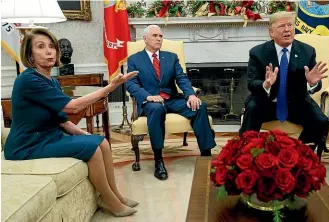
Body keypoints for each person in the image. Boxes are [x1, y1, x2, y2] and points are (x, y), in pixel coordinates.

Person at [4, 28, 139, 217]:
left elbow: (63, 122)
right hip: (27, 145)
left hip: (49, 137)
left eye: (51, 46)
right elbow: (73, 107)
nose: (49, 51)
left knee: (102, 143)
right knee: (92, 149)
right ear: (30, 55)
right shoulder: (28, 80)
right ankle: (109, 200)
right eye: (41, 47)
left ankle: (116, 195)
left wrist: (88, 136)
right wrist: (111, 87)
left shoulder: (52, 81)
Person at [126, 25, 216, 181]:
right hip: (151, 102)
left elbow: (182, 78)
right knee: (156, 109)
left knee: (199, 106)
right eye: (155, 35)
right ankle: (158, 160)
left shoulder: (171, 57)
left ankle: (206, 155)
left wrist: (190, 95)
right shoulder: (134, 59)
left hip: (172, 99)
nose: (159, 39)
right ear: (145, 39)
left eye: (160, 36)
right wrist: (148, 97)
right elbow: (131, 84)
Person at [239, 11, 329, 154]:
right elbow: (252, 83)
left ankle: (299, 154)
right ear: (271, 32)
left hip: (297, 102)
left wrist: (311, 83)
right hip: (266, 102)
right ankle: (247, 154)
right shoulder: (257, 53)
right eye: (282, 26)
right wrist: (265, 85)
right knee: (252, 110)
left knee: (321, 121)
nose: (287, 29)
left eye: (290, 25)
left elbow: (315, 82)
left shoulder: (307, 51)